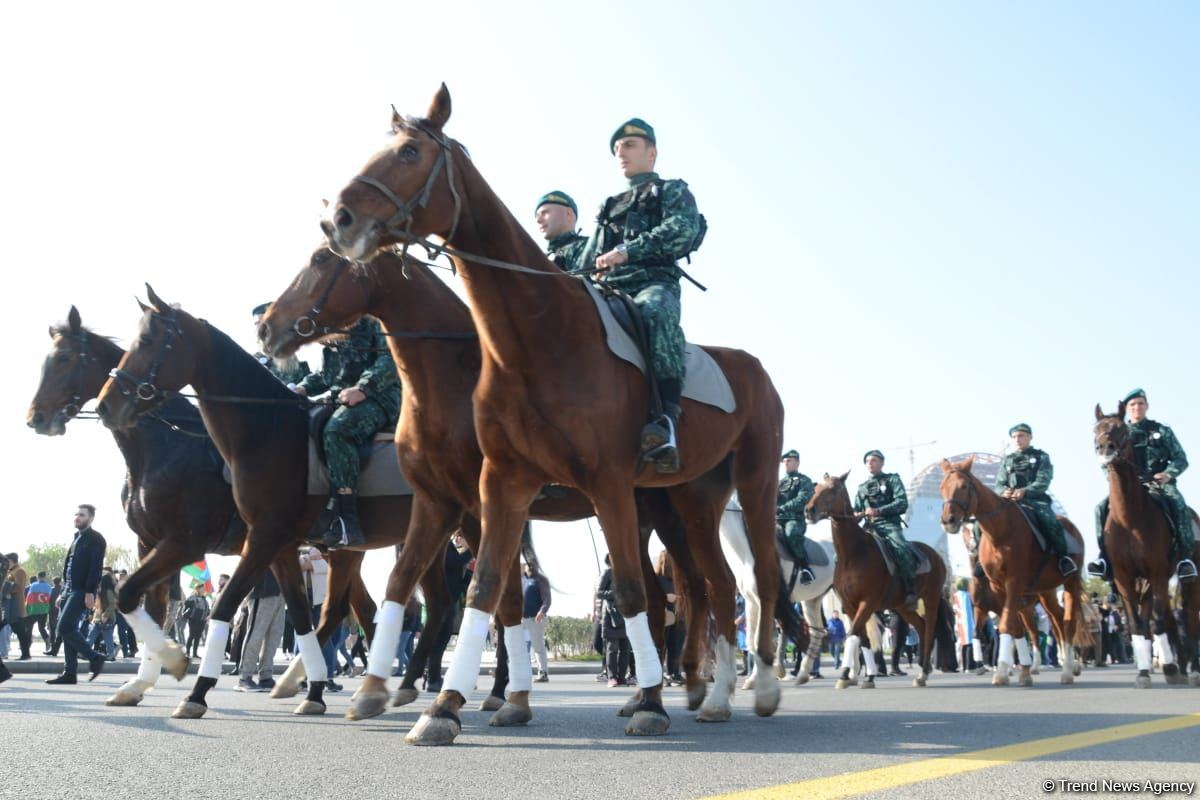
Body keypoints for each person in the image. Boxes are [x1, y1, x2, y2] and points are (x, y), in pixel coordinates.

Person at [577, 118, 705, 474]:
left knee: (655, 313)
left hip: (652, 283)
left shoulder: (672, 190)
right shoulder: (608, 204)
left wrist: (628, 251)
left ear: (652, 152)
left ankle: (665, 422)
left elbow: (681, 230)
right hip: (608, 288)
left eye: (630, 145)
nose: (622, 153)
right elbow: (587, 259)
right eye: (618, 149)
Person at [295, 316, 400, 548]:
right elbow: (325, 376)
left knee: (337, 430)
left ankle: (347, 521)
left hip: (382, 396)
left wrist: (364, 388)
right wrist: (301, 387)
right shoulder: (331, 333)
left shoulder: (373, 322)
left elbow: (390, 359)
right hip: (341, 398)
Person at [1089, 388, 1196, 581]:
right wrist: (1115, 481)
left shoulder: (1161, 430)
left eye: (1140, 403)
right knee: (1099, 509)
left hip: (1159, 485)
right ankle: (1104, 558)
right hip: (1129, 487)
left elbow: (1181, 459)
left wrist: (1168, 474)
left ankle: (1185, 559)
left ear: (1146, 406)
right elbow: (1107, 460)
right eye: (1132, 405)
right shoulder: (1119, 431)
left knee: (1178, 503)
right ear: (1127, 409)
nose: (1137, 407)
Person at [991, 423, 1077, 576]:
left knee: (1050, 521)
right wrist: (1004, 491)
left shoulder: (1041, 456)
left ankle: (1063, 558)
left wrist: (1025, 491)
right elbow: (999, 483)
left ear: (1030, 437)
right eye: (1014, 437)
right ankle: (981, 560)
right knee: (981, 523)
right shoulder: (1008, 460)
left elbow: (1043, 481)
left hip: (1036, 501)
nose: (1018, 439)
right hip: (1010, 502)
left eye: (1021, 436)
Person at [47, 504, 107, 684]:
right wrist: (62, 592)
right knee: (67, 630)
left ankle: (95, 657)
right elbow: (69, 566)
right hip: (68, 590)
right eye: (76, 514)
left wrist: (90, 592)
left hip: (81, 590)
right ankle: (70, 673)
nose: (77, 517)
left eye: (81, 515)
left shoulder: (96, 539)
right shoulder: (76, 538)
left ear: (91, 518)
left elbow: (96, 568)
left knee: (63, 627)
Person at [854, 450, 918, 609]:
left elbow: (902, 503)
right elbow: (856, 510)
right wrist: (855, 515)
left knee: (901, 548)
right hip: (869, 527)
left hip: (889, 525)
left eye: (874, 460)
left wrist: (879, 510)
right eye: (867, 461)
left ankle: (911, 590)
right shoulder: (862, 488)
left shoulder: (892, 480)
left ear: (882, 463)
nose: (870, 463)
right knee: (840, 556)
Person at [236, 570, 285, 692]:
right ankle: (244, 677)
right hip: (262, 589)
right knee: (256, 634)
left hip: (280, 592)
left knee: (273, 638)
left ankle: (266, 677)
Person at [777, 449, 816, 586]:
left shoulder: (804, 480)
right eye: (784, 461)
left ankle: (805, 568)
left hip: (794, 520)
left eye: (789, 461)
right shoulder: (778, 483)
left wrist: (782, 508)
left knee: (791, 533)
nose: (786, 464)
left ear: (797, 462)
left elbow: (802, 499)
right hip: (776, 520)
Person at [252, 302, 310, 387]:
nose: (259, 328)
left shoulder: (297, 361)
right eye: (256, 324)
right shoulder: (252, 362)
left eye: (263, 322)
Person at [596, 554, 631, 686]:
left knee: (625, 648)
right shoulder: (608, 573)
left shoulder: (628, 573)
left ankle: (622, 677)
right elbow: (599, 592)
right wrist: (615, 593)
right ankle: (612, 677)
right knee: (612, 648)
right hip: (611, 616)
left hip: (626, 614)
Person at [535, 191, 589, 270]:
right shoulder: (540, 260)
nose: (538, 220)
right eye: (537, 216)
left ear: (568, 214)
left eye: (544, 212)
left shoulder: (590, 247)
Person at [521, 558, 552, 683]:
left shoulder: (541, 580)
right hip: (523, 619)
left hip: (536, 619)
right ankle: (520, 672)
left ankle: (543, 673)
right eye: (527, 565)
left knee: (538, 646)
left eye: (531, 565)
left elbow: (547, 599)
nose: (529, 567)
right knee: (519, 646)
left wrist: (542, 611)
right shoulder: (525, 580)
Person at [85, 566, 118, 660]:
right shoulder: (101, 591)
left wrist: (105, 616)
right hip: (99, 618)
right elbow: (97, 605)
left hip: (106, 618)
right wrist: (92, 614)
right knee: (92, 635)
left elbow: (112, 604)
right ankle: (85, 652)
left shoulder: (108, 591)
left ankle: (111, 654)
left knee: (106, 637)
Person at [4, 553, 31, 660]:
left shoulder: (19, 571)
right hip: (9, 606)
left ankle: (26, 654)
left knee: (20, 632)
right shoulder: (10, 571)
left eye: (7, 561)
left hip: (16, 606)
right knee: (20, 631)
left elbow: (19, 587)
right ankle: (25, 654)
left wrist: (5, 591)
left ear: (11, 560)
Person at [25, 571, 52, 650]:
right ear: (45, 577)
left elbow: (29, 598)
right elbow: (50, 598)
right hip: (44, 610)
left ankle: (28, 644)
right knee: (41, 628)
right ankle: (47, 640)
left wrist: (27, 609)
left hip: (33, 610)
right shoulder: (48, 586)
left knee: (29, 627)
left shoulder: (33, 585)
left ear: (38, 577)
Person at [182, 582, 210, 659]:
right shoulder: (193, 597)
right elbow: (187, 604)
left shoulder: (204, 599)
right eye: (202, 588)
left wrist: (208, 616)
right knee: (191, 635)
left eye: (204, 588)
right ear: (197, 588)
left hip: (201, 620)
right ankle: (187, 652)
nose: (204, 589)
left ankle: (195, 653)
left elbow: (207, 610)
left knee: (198, 636)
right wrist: (195, 601)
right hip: (193, 619)